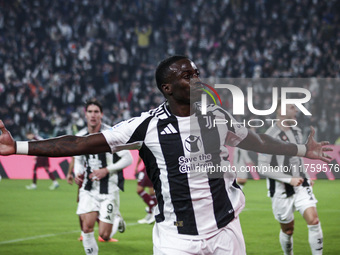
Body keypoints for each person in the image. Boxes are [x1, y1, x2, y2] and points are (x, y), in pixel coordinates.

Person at [0, 56, 332, 255]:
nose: (197, 78)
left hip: (226, 229)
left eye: (197, 72)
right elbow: (80, 143)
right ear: (167, 88)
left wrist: (303, 149)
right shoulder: (146, 126)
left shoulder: (217, 116)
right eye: (187, 75)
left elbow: (257, 141)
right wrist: (19, 147)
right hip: (176, 237)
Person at [67, 98, 133, 254]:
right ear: (85, 114)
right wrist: (77, 173)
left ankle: (116, 218)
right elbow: (78, 159)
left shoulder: (111, 134)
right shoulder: (81, 135)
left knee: (104, 234)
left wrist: (107, 170)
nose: (93, 115)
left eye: (96, 112)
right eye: (90, 112)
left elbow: (128, 158)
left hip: (109, 189)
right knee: (86, 227)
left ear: (101, 114)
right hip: (89, 188)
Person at [258, 102, 324, 255]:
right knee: (288, 230)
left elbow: (298, 160)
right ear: (281, 111)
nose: (296, 110)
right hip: (280, 190)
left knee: (314, 221)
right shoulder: (268, 136)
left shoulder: (297, 132)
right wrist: (289, 179)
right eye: (292, 107)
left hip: (301, 185)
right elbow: (262, 167)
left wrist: (306, 177)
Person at [134, 156, 157, 224]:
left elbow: (141, 155)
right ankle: (151, 213)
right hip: (149, 167)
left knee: (139, 189)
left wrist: (137, 166)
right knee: (152, 191)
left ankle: (153, 208)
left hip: (150, 167)